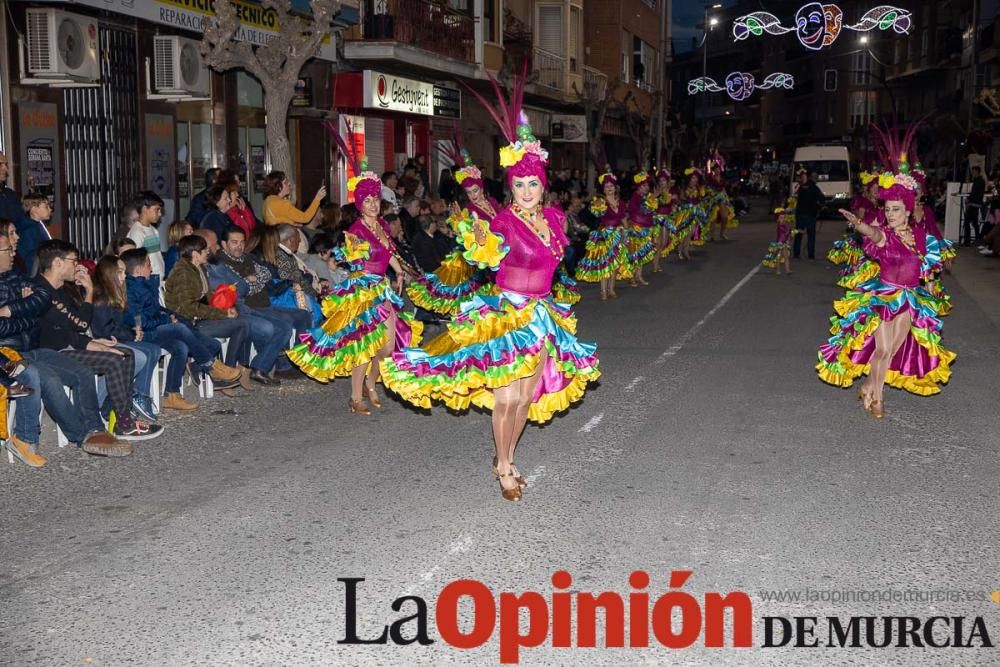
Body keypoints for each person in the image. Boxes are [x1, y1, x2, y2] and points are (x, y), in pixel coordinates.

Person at [380, 72, 600, 502]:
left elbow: (558, 257)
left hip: (541, 315)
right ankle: (502, 465)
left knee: (526, 399)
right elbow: (489, 254)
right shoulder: (501, 221)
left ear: (544, 184)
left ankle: (510, 456)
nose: (526, 191)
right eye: (518, 184)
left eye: (533, 183)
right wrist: (479, 242)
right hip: (504, 316)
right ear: (510, 186)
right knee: (506, 397)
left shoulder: (555, 218)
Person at [818, 156, 955, 418]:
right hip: (884, 298)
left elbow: (928, 265)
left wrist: (932, 285)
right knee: (881, 350)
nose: (890, 214)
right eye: (888, 209)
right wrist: (860, 226)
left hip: (910, 299)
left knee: (892, 351)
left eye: (895, 209)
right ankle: (878, 400)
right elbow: (874, 235)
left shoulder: (919, 238)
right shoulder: (886, 237)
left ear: (907, 211)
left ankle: (869, 386)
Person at [287, 160, 423, 414]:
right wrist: (355, 257)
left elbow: (388, 250)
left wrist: (398, 270)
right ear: (359, 204)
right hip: (363, 291)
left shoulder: (381, 225)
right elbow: (352, 260)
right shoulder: (356, 230)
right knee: (363, 345)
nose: (372, 204)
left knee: (387, 346)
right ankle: (356, 397)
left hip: (382, 289)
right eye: (367, 201)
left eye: (375, 199)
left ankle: (372, 385)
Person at [0, 230, 133, 463]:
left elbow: (39, 310)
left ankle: (95, 428)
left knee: (81, 373)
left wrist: (14, 311)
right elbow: (12, 325)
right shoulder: (29, 283)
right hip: (10, 352)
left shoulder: (15, 278)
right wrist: (24, 310)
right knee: (49, 380)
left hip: (32, 348)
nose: (14, 251)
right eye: (8, 249)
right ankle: (82, 436)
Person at [33, 240, 162, 440]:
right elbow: (81, 323)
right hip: (51, 353)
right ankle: (123, 423)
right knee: (114, 360)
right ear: (58, 263)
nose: (77, 266)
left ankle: (117, 414)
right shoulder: (42, 290)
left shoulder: (62, 288)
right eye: (74, 261)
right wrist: (90, 290)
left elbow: (73, 326)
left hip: (70, 344)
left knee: (124, 354)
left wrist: (95, 344)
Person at [122, 247, 240, 410]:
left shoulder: (144, 284)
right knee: (179, 329)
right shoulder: (132, 289)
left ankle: (171, 394)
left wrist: (171, 315)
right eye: (148, 264)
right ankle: (210, 364)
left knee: (181, 347)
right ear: (138, 269)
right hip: (142, 334)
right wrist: (166, 318)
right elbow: (139, 321)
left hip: (155, 328)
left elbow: (157, 309)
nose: (151, 267)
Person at [164, 234, 253, 385]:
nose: (208, 252)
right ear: (195, 254)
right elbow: (188, 308)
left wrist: (226, 309)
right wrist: (222, 313)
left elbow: (207, 298)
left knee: (243, 322)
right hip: (189, 322)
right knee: (241, 325)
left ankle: (219, 370)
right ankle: (224, 372)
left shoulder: (198, 268)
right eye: (204, 250)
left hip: (200, 318)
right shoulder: (183, 273)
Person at [91, 255, 163, 423]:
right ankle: (113, 399)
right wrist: (131, 334)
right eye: (120, 272)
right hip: (105, 341)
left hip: (116, 337)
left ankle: (139, 394)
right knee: (140, 355)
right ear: (110, 273)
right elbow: (104, 331)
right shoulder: (101, 298)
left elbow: (118, 324)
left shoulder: (113, 293)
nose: (124, 276)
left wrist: (132, 332)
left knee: (154, 349)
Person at [575, 169, 627, 300]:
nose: (609, 188)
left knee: (615, 263)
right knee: (606, 263)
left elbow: (623, 218)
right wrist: (597, 206)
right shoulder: (600, 201)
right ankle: (603, 291)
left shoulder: (621, 203)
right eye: (606, 186)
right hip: (605, 235)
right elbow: (595, 214)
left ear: (615, 188)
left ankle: (611, 289)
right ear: (603, 189)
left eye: (611, 186)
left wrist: (626, 232)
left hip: (618, 233)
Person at [261, 171, 326, 226]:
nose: (289, 184)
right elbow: (305, 218)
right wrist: (317, 199)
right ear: (278, 187)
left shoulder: (267, 201)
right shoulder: (281, 203)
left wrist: (292, 223)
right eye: (285, 183)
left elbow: (279, 220)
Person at [128, 191, 166, 277]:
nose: (160, 214)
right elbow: (136, 262)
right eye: (157, 210)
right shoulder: (137, 232)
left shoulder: (153, 230)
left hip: (157, 277)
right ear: (145, 209)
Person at [14, 192, 53, 276]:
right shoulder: (28, 230)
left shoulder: (36, 224)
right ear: (34, 209)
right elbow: (31, 258)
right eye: (46, 207)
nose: (50, 209)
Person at [793, 170, 825, 260]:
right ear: (813, 178)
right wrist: (819, 205)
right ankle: (811, 254)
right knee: (811, 235)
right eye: (816, 178)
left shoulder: (801, 186)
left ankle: (796, 253)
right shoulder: (814, 188)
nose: (817, 179)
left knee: (798, 234)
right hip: (810, 215)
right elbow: (822, 199)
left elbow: (795, 196)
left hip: (800, 214)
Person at [762, 196, 797, 275]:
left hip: (784, 243)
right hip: (779, 243)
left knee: (786, 257)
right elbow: (787, 231)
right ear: (778, 219)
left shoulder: (785, 224)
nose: (783, 219)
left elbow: (789, 231)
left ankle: (787, 270)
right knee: (778, 257)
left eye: (784, 217)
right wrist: (791, 229)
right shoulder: (780, 225)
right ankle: (778, 270)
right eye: (781, 218)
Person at [964, 165, 986, 246]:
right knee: (974, 222)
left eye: (973, 171)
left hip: (974, 204)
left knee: (968, 222)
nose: (972, 173)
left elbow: (976, 194)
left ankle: (968, 241)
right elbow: (974, 193)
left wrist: (969, 202)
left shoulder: (979, 181)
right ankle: (977, 239)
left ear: (977, 172)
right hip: (975, 204)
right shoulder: (978, 181)